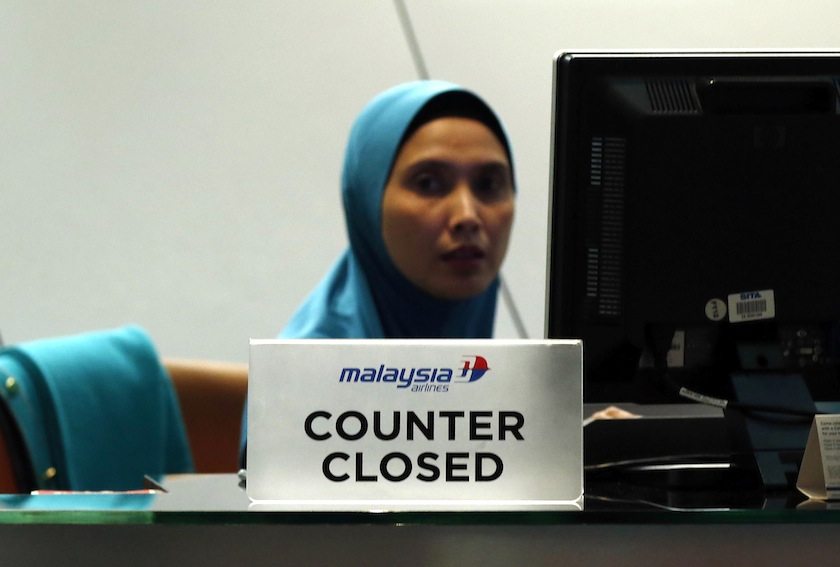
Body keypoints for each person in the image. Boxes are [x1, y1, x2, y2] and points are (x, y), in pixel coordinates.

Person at [239, 80, 516, 466]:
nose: (468, 216)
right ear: (367, 203)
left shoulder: (499, 374)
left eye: (489, 184)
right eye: (429, 183)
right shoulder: (302, 389)